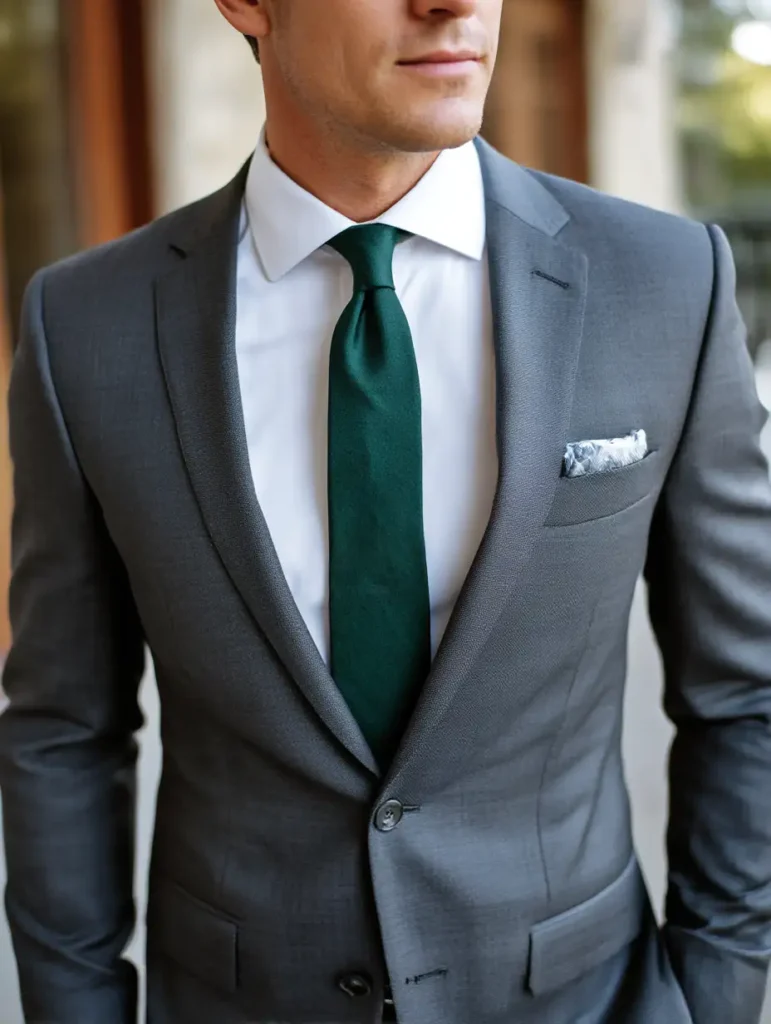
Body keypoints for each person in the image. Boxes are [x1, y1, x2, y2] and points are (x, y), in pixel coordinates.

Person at [1, 0, 770, 1021]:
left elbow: (748, 694)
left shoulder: (664, 282)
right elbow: (64, 728)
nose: (452, 3)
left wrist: (714, 998)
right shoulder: (85, 327)